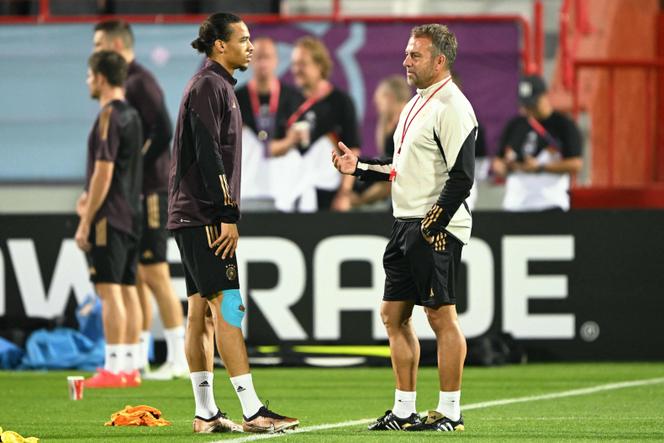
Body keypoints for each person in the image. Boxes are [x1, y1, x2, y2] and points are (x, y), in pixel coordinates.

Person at [333, 24, 476, 432]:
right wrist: (358, 166)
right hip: (405, 222)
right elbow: (399, 168)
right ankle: (403, 410)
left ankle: (450, 411)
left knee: (440, 316)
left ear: (439, 61)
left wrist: (437, 219)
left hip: (433, 226)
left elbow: (463, 176)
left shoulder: (453, 106)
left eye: (415, 55)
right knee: (393, 315)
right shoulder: (418, 103)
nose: (405, 60)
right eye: (407, 53)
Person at [167, 13, 299, 434]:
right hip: (205, 214)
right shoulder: (211, 85)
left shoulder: (214, 85)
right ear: (219, 46)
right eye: (243, 39)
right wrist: (226, 213)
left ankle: (205, 412)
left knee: (199, 314)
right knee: (229, 309)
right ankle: (252, 409)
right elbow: (208, 153)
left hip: (190, 213)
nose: (251, 46)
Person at [93, 20, 189, 380]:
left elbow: (163, 130)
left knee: (154, 272)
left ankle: (179, 356)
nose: (95, 51)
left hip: (151, 189)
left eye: (99, 43)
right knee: (135, 275)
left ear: (117, 44)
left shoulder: (140, 81)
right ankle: (138, 356)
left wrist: (136, 167)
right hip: (135, 193)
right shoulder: (123, 83)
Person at [75, 50, 144, 388]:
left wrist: (86, 219)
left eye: (90, 75)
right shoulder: (132, 114)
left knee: (108, 289)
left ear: (101, 77)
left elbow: (104, 172)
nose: (88, 82)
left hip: (110, 216)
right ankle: (129, 368)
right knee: (128, 288)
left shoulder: (108, 116)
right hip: (133, 212)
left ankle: (113, 368)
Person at [270, 36, 361, 212]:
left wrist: (344, 193)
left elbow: (353, 149)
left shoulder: (341, 101)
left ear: (319, 66)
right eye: (294, 64)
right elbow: (272, 149)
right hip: (292, 195)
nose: (296, 70)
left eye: (302, 64)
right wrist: (290, 141)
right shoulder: (287, 101)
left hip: (329, 194)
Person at [492, 74, 583, 211]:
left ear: (545, 96)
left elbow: (576, 164)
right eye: (526, 105)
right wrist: (505, 167)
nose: (530, 109)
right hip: (516, 204)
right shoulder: (515, 125)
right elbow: (497, 162)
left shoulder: (564, 125)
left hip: (550, 203)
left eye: (533, 103)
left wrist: (540, 167)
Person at [234, 36, 304, 209]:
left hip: (284, 181)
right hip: (248, 183)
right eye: (258, 57)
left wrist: (282, 144)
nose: (263, 63)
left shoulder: (293, 97)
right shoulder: (236, 98)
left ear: (276, 61)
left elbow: (297, 140)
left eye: (268, 57)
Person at [350, 75, 411, 210]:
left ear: (389, 97)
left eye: (379, 101)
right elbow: (384, 152)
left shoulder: (409, 123)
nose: (376, 104)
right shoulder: (390, 120)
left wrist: (360, 200)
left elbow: (394, 176)